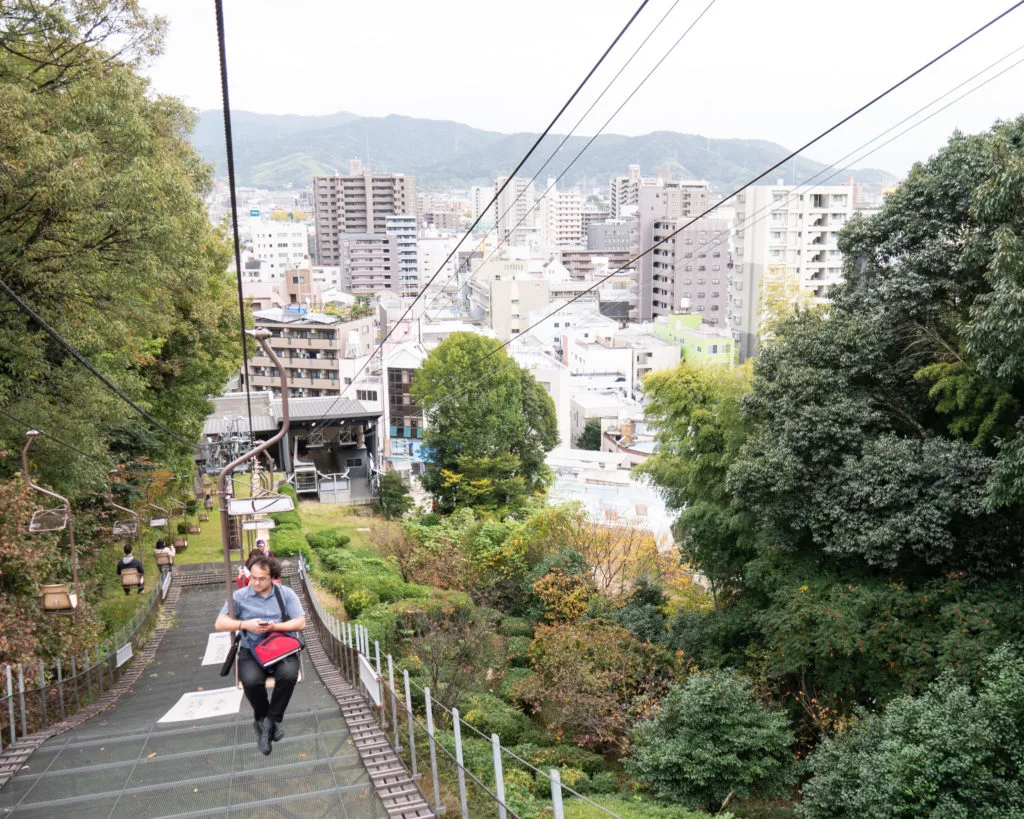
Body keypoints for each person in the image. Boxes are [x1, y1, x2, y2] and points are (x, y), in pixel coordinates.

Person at [215, 556, 305, 755]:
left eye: (261, 579)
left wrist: (274, 627)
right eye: (253, 578)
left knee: (289, 675)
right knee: (251, 680)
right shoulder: (239, 597)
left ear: (272, 578)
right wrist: (245, 624)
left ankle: (267, 724)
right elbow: (220, 623)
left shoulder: (285, 594)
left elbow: (300, 623)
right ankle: (268, 722)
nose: (256, 583)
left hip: (280, 646)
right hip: (252, 647)